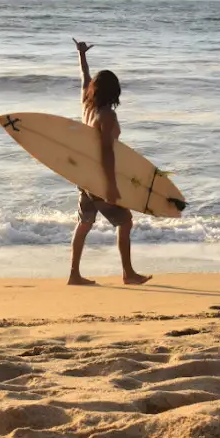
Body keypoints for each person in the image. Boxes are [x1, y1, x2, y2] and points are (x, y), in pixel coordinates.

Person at [69, 38, 151, 287]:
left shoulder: (86, 102)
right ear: (114, 92)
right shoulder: (107, 115)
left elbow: (84, 76)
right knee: (125, 222)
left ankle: (74, 274)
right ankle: (128, 274)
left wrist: (82, 55)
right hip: (99, 179)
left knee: (84, 223)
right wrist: (111, 185)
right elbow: (106, 152)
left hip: (84, 178)